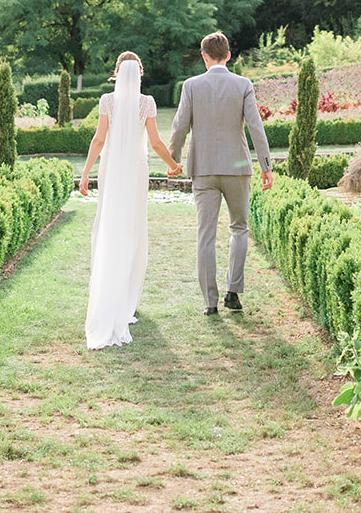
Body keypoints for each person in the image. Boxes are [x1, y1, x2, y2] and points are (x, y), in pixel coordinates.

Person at [80, 51, 182, 350]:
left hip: (111, 171)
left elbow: (99, 140)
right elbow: (155, 142)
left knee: (111, 227)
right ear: (138, 73)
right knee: (134, 230)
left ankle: (112, 295)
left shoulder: (106, 102)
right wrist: (174, 165)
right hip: (135, 172)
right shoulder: (146, 102)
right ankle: (126, 300)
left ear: (116, 73)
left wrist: (86, 173)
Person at [169, 32, 271, 316]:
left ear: (204, 56)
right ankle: (233, 293)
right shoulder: (243, 84)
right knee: (239, 228)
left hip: (203, 170)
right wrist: (266, 166)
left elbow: (179, 127)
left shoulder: (191, 86)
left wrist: (173, 160)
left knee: (205, 236)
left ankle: (210, 303)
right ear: (228, 55)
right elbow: (256, 128)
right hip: (237, 169)